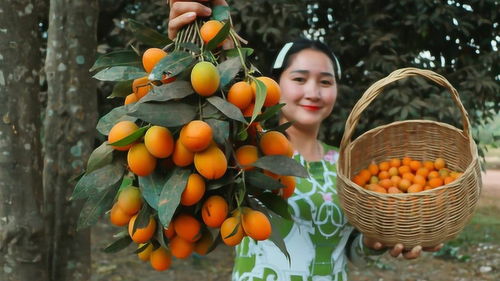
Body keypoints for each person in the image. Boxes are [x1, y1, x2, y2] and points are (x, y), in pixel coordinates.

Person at [167, 1, 443, 280]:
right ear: (275, 85)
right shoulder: (245, 149)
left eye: (325, 82)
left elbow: (348, 251)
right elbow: (197, 132)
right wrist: (192, 40)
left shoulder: (351, 166)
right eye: (299, 79)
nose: (313, 92)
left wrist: (373, 243)